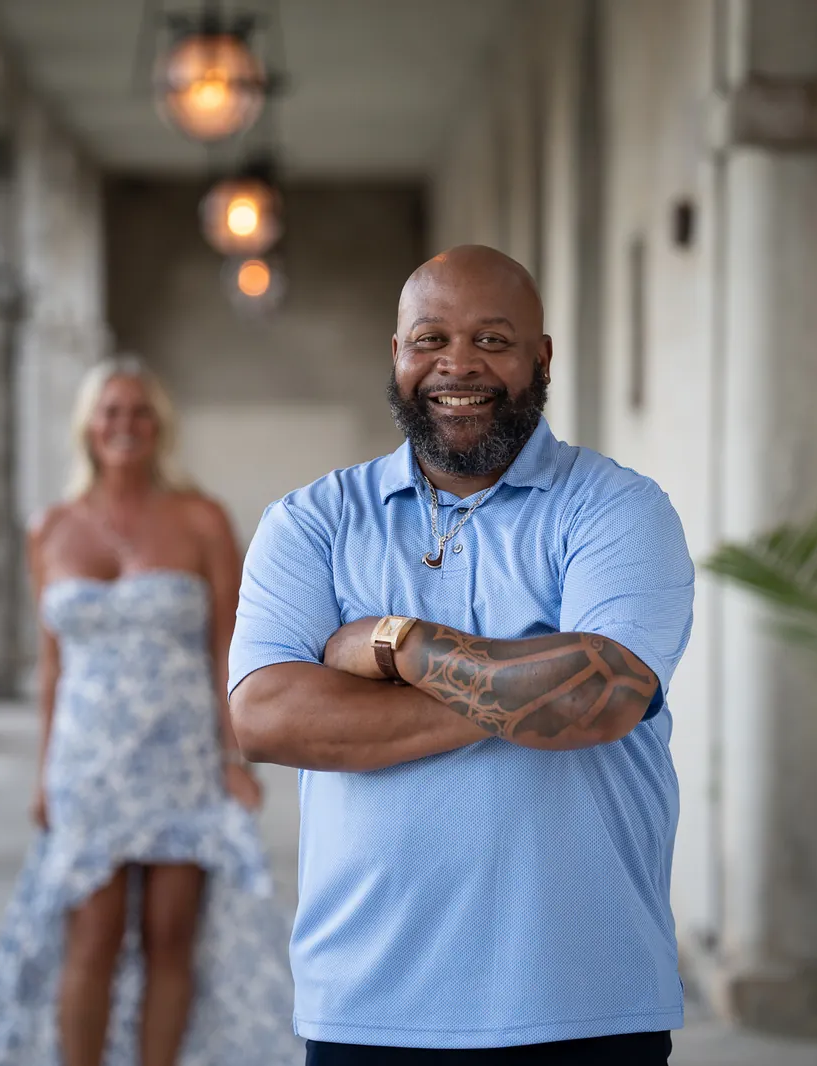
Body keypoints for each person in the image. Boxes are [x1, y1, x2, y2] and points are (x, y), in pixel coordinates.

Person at [227, 245, 695, 1065]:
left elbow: (601, 701)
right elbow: (265, 719)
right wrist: (525, 680)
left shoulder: (618, 510)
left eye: (491, 340)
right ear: (398, 354)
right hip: (366, 1004)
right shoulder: (312, 522)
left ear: (540, 357)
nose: (457, 365)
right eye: (430, 339)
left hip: (584, 1003)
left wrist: (394, 644)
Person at [0, 355, 300, 1066]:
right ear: (88, 428)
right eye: (111, 413)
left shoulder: (201, 519)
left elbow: (228, 645)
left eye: (140, 413)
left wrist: (234, 756)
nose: (125, 426)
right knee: (90, 936)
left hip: (181, 756)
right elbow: (54, 660)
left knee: (170, 936)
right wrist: (41, 775)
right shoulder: (51, 528)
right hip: (89, 762)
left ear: (161, 428)